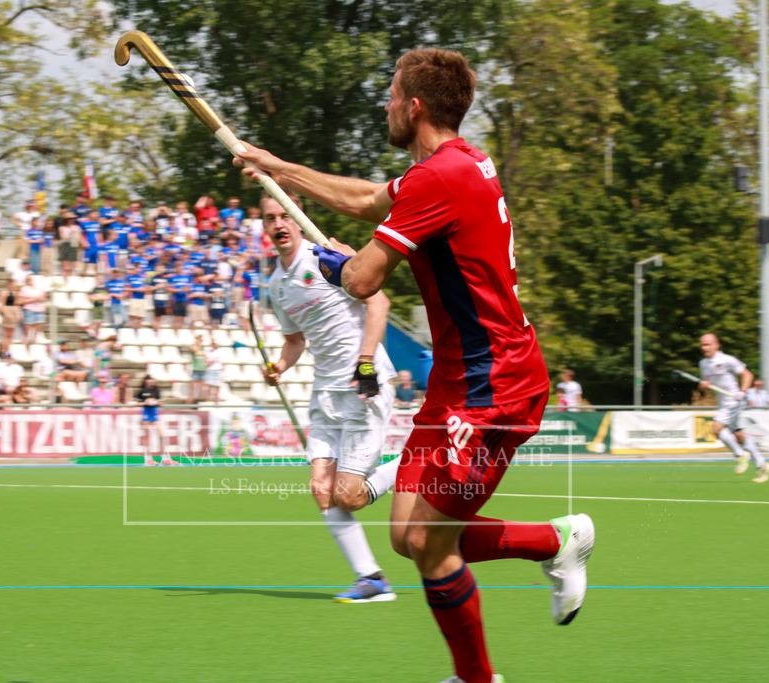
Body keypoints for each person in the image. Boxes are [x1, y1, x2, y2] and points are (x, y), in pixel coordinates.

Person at [236, 49, 594, 683]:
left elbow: (362, 280)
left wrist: (332, 265)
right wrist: (278, 169)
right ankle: (554, 540)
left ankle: (476, 677)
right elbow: (367, 199)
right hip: (456, 382)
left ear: (416, 106)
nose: (386, 105)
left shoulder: (438, 179)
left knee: (430, 542)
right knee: (407, 536)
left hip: (494, 386)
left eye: (393, 95)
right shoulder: (450, 166)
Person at [260, 191, 402, 603]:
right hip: (325, 393)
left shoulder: (328, 254)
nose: (279, 224)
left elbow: (379, 303)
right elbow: (295, 340)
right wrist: (280, 365)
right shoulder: (277, 283)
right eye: (270, 218)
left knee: (348, 496)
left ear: (298, 216)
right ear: (263, 226)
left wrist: (366, 362)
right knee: (322, 489)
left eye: (284, 215)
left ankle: (414, 461)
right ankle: (372, 580)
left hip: (363, 383)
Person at [698, 333, 769, 483]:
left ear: (716, 345)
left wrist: (743, 391)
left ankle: (740, 455)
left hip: (733, 401)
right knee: (739, 436)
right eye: (702, 345)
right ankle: (762, 465)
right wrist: (704, 385)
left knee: (715, 428)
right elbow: (708, 384)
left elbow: (747, 375)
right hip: (723, 403)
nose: (704, 348)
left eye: (707, 344)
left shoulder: (727, 360)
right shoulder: (703, 364)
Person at [137, 375, 175, 466]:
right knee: (147, 437)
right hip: (146, 414)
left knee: (163, 435)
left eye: (151, 380)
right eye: (148, 380)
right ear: (145, 381)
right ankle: (148, 458)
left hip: (154, 414)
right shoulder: (142, 391)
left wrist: (155, 402)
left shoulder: (156, 391)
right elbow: (137, 403)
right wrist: (146, 402)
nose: (150, 381)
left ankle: (165, 457)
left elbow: (161, 402)